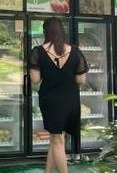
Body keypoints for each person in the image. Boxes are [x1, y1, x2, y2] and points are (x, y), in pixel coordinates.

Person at [29, 17, 89, 173]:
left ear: (45, 32)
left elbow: (35, 80)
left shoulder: (38, 51)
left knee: (57, 140)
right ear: (62, 31)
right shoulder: (75, 51)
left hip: (50, 101)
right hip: (70, 100)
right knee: (57, 139)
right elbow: (81, 79)